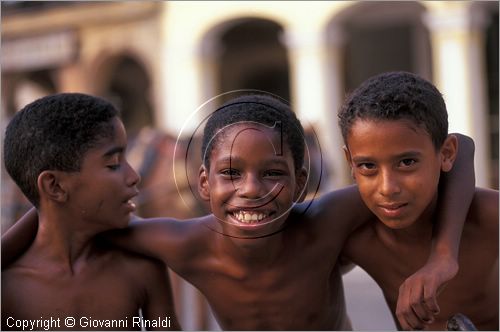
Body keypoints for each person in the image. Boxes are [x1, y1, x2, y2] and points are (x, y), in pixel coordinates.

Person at [2, 93, 475, 330]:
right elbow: (68, 216)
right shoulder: (180, 243)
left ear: (300, 181)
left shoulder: (327, 223)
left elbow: (462, 154)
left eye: (273, 173)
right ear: (203, 183)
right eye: (231, 173)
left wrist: (441, 258)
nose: (253, 191)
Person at [1, 93, 180, 331]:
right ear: (55, 186)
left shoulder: (141, 269)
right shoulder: (9, 291)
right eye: (113, 164)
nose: (134, 176)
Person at [338, 71, 498, 330]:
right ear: (350, 164)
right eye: (368, 165)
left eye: (407, 162)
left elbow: (465, 146)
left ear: (446, 153)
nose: (388, 188)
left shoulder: (489, 216)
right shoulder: (351, 233)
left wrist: (444, 256)